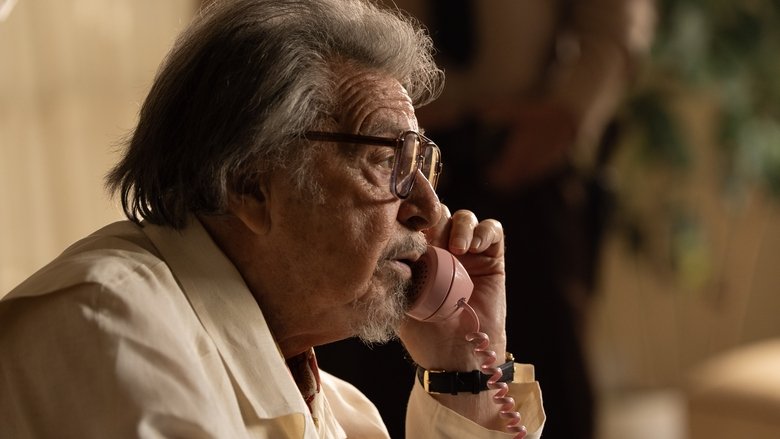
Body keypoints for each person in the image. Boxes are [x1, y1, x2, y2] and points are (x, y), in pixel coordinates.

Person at [0, 0, 545, 438]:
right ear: (249, 185)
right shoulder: (110, 326)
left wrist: (463, 368)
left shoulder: (341, 410)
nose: (430, 209)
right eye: (387, 161)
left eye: (421, 164)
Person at [315, 1, 656, 438]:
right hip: (374, 160)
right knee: (360, 372)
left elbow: (614, 24)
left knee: (553, 368)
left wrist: (569, 114)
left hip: (523, 154)